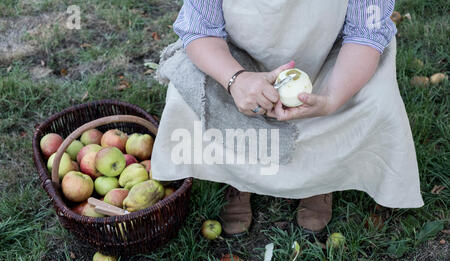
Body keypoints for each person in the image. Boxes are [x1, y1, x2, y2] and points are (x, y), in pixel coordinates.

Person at [151, 0, 424, 237]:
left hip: (329, 61)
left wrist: (332, 99)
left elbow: (366, 33)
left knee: (375, 97)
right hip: (238, 59)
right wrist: (235, 80)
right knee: (186, 93)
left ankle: (321, 179)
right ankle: (238, 179)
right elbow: (201, 30)